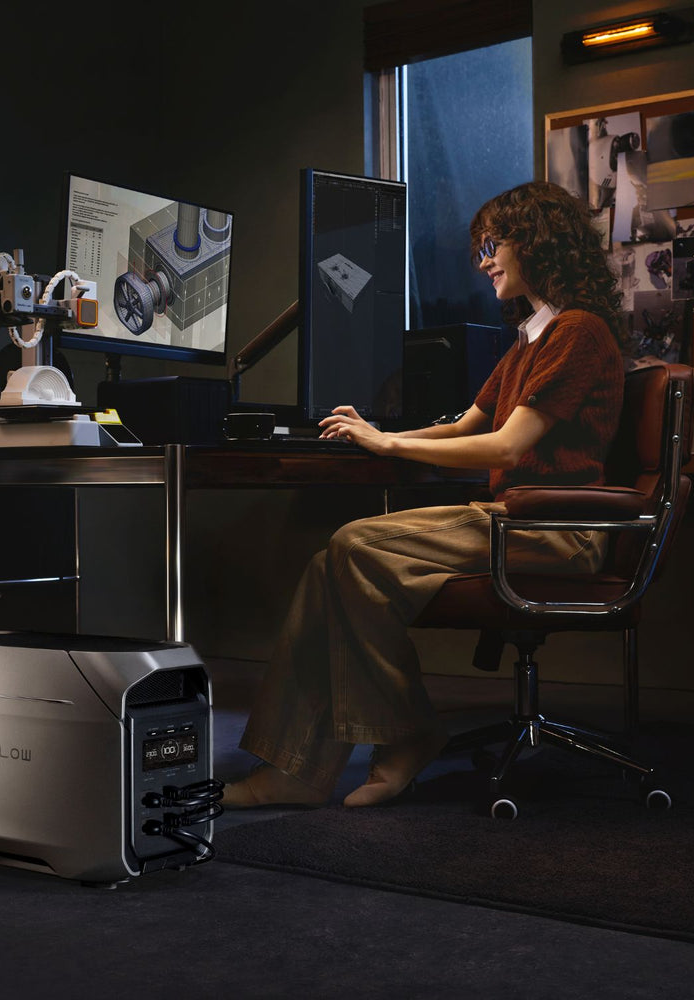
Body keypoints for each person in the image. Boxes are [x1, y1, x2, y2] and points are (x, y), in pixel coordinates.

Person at [223, 180, 626, 810]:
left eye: (494, 244)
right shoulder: (530, 336)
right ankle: (294, 767)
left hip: (556, 529)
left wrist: (387, 448)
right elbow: (467, 424)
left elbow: (505, 447)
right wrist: (376, 431)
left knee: (353, 544)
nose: (484, 259)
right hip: (510, 521)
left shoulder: (578, 332)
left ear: (537, 243)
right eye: (480, 249)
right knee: (338, 562)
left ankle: (405, 735)